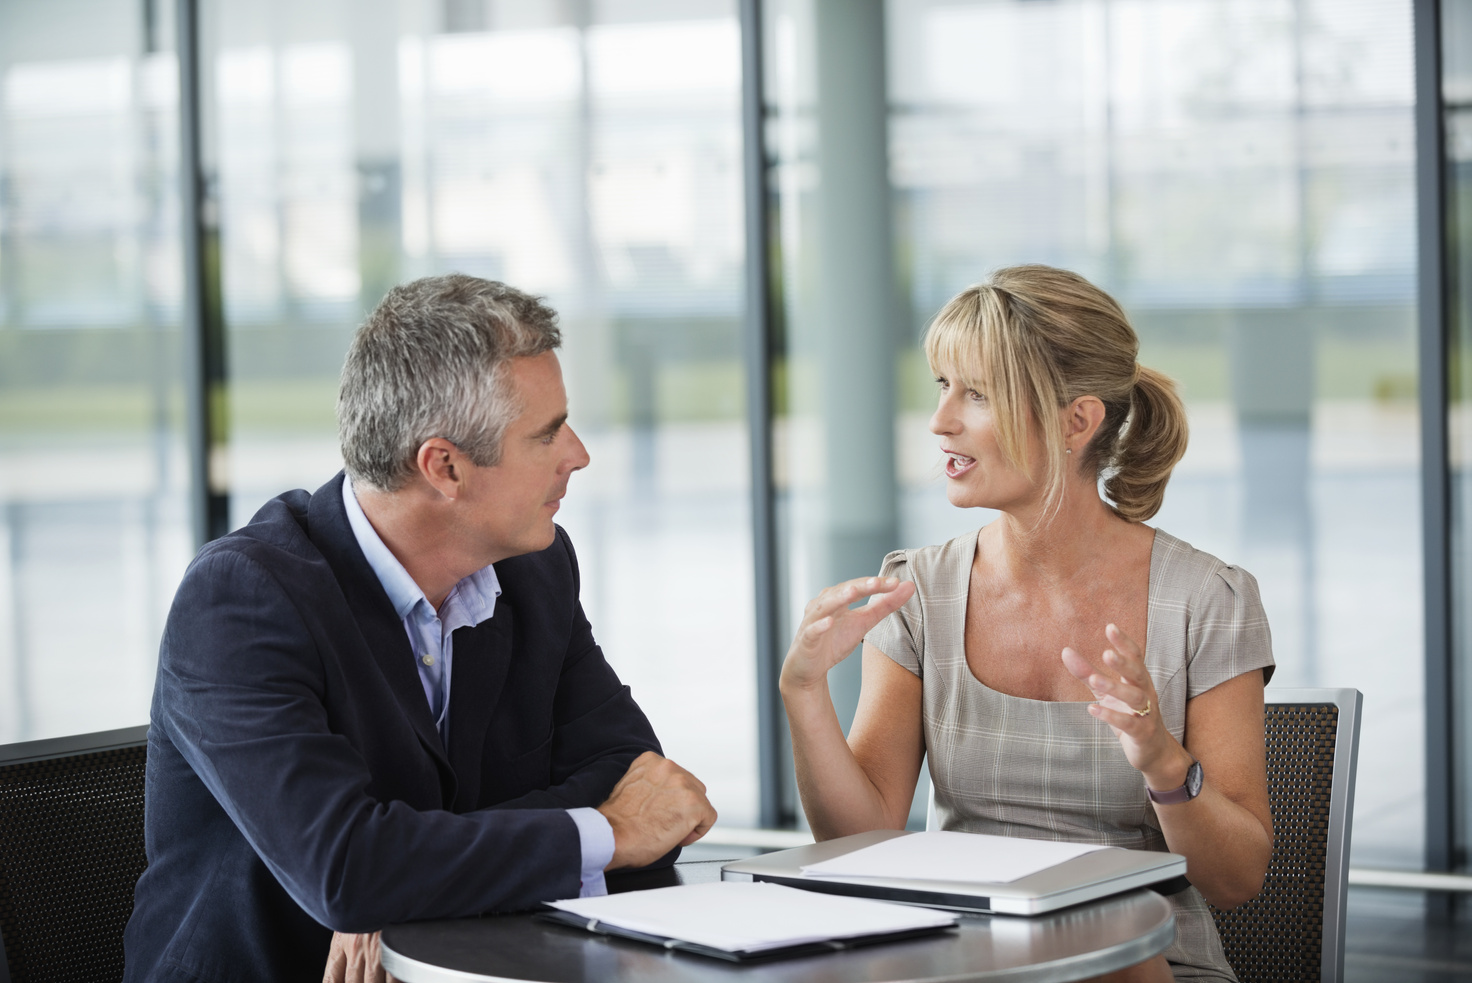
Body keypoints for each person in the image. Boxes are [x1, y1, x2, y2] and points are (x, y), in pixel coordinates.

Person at [123, 275, 718, 983]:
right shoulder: (241, 601)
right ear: (444, 467)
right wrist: (606, 831)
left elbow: (648, 788)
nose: (578, 454)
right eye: (546, 434)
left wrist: (409, 872)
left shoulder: (536, 567)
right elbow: (348, 867)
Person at [780, 265, 1274, 982]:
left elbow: (1236, 880)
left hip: (1144, 960)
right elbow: (864, 842)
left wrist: (1162, 758)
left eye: (976, 392)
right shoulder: (917, 590)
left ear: (1077, 420)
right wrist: (804, 691)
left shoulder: (1208, 599)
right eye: (942, 385)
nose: (940, 419)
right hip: (964, 960)